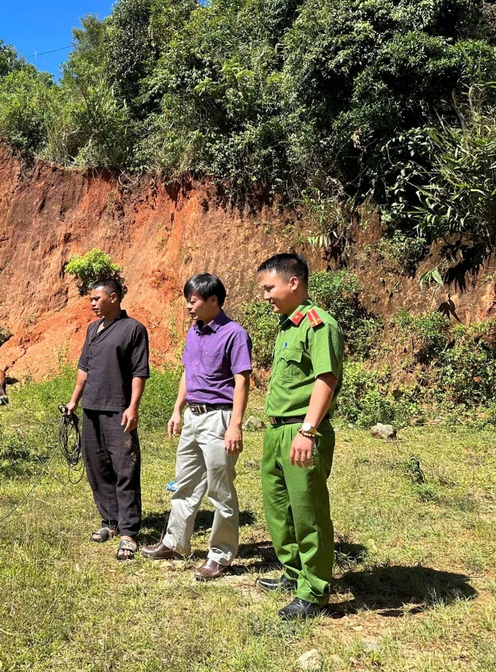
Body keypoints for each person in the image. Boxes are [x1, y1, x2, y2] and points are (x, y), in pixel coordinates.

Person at [141, 274, 252, 582]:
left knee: (220, 489)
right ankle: (175, 542)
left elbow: (242, 381)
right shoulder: (194, 332)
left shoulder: (234, 334)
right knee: (184, 483)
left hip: (219, 419)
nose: (188, 307)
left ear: (213, 301)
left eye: (193, 301)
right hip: (193, 416)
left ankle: (220, 555)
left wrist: (236, 426)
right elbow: (187, 372)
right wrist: (177, 409)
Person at [255, 254, 344, 620]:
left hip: (301, 429)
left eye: (269, 288)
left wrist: (307, 430)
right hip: (277, 431)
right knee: (280, 511)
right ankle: (294, 573)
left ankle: (315, 592)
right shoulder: (286, 327)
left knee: (308, 513)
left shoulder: (318, 324)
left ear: (293, 283)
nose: (265, 296)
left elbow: (326, 378)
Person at [65, 277, 150, 561]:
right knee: (97, 467)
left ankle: (128, 531)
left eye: (96, 299)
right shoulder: (92, 329)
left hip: (118, 409)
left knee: (125, 468)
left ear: (113, 298)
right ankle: (110, 522)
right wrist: (74, 401)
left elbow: (139, 372)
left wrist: (133, 406)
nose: (92, 304)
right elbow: (84, 368)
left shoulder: (134, 329)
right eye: (90, 299)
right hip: (91, 409)